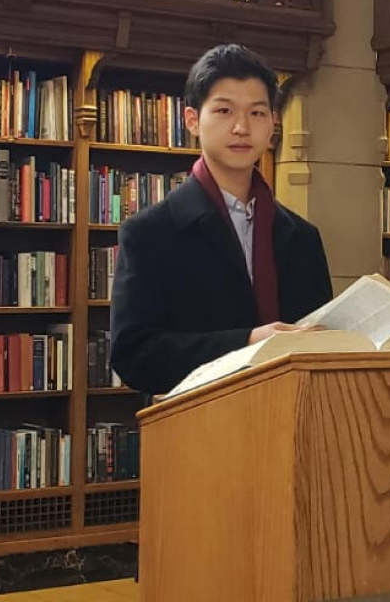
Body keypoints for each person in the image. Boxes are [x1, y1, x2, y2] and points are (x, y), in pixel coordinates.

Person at [110, 44, 333, 396]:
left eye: (257, 113)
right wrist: (248, 342)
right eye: (225, 111)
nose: (242, 127)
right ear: (193, 120)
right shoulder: (150, 233)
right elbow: (135, 356)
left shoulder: (302, 237)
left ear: (273, 124)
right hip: (202, 430)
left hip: (292, 422)